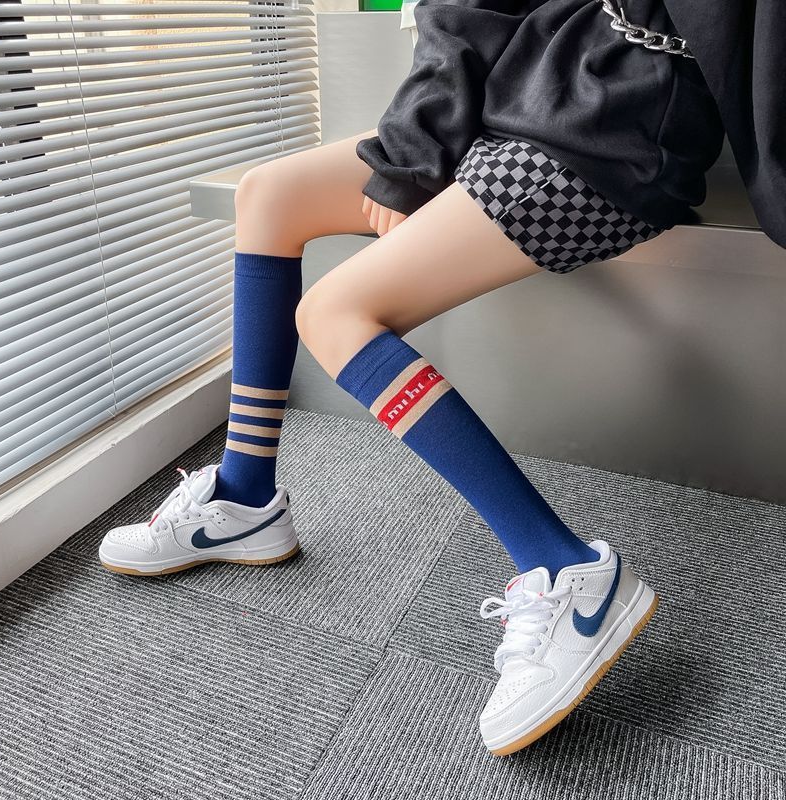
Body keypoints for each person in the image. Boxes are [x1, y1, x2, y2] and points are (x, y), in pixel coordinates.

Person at [96, 0, 781, 756]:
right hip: (509, 107)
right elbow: (469, 13)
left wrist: (413, 158)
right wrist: (415, 151)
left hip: (608, 135)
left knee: (335, 312)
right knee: (269, 196)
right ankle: (244, 495)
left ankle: (568, 570)